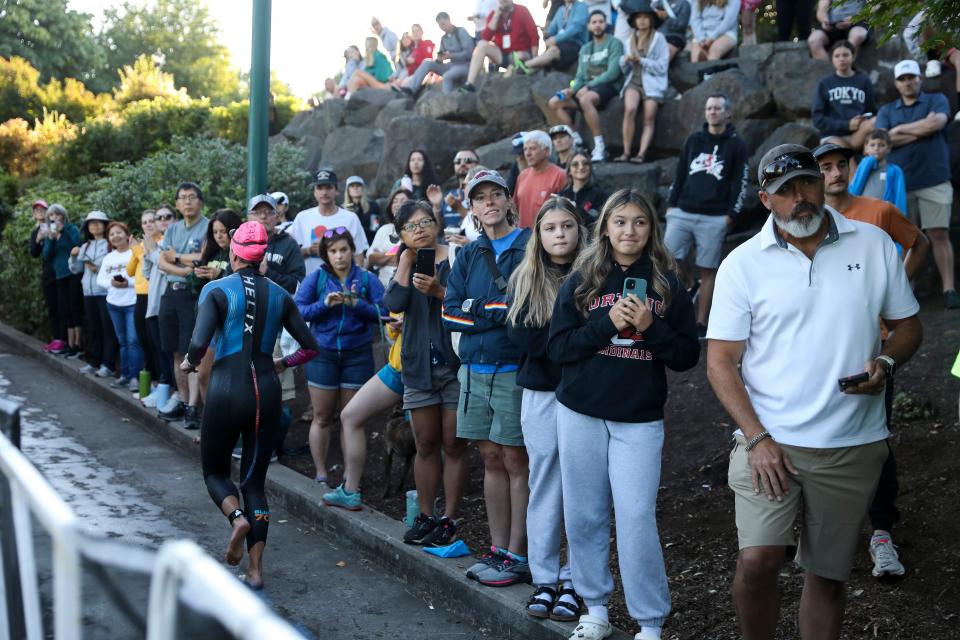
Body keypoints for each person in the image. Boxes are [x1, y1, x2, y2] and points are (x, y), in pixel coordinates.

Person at [707, 144, 922, 640]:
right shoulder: (743, 263)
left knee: (826, 576)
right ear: (765, 199)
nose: (801, 198)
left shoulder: (871, 244)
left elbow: (909, 326)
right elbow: (720, 359)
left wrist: (888, 361)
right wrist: (757, 439)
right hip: (770, 442)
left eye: (806, 183)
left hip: (852, 442)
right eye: (785, 191)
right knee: (759, 560)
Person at [547, 188, 699, 640]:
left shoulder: (668, 283)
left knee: (635, 517)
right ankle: (594, 608)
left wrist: (651, 328)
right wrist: (605, 324)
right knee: (584, 514)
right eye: (620, 221)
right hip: (581, 413)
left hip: (638, 420)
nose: (629, 230)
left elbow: (687, 355)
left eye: (638, 221)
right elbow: (558, 348)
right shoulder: (582, 280)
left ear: (651, 228)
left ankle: (649, 622)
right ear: (605, 227)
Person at [813, 141, 929, 580]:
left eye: (841, 164)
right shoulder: (806, 219)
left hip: (874, 342)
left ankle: (882, 532)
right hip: (819, 347)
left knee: (875, 436)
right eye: (825, 167)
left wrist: (895, 285)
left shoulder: (878, 211)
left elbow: (917, 243)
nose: (835, 173)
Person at [182, 221, 319, 590]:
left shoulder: (215, 289)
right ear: (262, 259)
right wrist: (282, 363)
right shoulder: (280, 294)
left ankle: (236, 518)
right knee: (255, 483)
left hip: (227, 390)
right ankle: (256, 571)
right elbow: (309, 346)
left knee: (214, 471)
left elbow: (197, 345)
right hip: (266, 392)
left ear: (233, 253)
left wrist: (189, 363)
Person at [442, 170, 532, 587]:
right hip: (474, 371)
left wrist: (481, 309)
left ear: (509, 200)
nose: (489, 202)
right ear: (472, 208)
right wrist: (490, 309)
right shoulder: (468, 253)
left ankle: (520, 553)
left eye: (496, 194)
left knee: (517, 459)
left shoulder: (530, 245)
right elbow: (449, 312)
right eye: (480, 198)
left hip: (514, 369)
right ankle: (498, 549)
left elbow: (522, 309)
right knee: (491, 459)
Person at [506, 196, 587, 622]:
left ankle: (576, 580)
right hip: (541, 393)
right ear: (539, 234)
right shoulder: (525, 276)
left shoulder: (596, 275)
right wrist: (576, 345)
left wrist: (573, 346)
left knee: (582, 484)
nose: (560, 234)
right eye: (551, 227)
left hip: (587, 396)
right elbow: (527, 340)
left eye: (567, 226)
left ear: (580, 230)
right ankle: (545, 578)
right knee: (544, 482)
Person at [385, 202, 466, 546]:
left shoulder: (457, 257)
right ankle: (425, 515)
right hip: (418, 365)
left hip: (453, 365)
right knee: (425, 443)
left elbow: (467, 304)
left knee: (453, 444)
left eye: (424, 222)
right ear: (401, 234)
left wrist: (438, 291)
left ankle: (449, 517)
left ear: (437, 223)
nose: (419, 229)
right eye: (410, 226)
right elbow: (394, 302)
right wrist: (405, 261)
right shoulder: (407, 261)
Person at [294, 229, 385, 485]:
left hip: (358, 354)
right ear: (326, 254)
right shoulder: (317, 278)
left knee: (351, 417)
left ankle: (349, 476)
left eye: (344, 250)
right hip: (322, 353)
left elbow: (386, 311)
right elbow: (299, 311)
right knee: (322, 416)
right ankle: (321, 472)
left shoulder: (366, 279)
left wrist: (357, 305)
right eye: (333, 251)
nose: (339, 256)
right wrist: (325, 304)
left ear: (352, 251)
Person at [665, 94, 749, 338]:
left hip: (715, 216)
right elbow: (680, 173)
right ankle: (690, 285)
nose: (712, 112)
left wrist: (731, 214)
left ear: (727, 113)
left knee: (708, 270)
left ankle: (701, 323)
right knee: (668, 261)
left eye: (717, 108)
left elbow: (740, 181)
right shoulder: (694, 140)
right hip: (682, 211)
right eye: (708, 108)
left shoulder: (736, 144)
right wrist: (671, 206)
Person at [877, 59, 957, 309]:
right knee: (902, 239)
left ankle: (949, 289)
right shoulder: (887, 110)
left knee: (939, 234)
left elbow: (938, 123)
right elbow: (881, 141)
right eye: (902, 79)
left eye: (911, 77)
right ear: (896, 83)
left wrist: (899, 131)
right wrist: (921, 129)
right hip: (901, 183)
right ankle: (905, 291)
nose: (908, 82)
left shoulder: (937, 100)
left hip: (934, 177)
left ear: (919, 78)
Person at [157, 182, 210, 429]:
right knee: (175, 351)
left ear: (200, 201)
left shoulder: (208, 226)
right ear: (177, 204)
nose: (187, 201)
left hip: (193, 295)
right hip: (171, 293)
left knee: (192, 351)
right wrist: (184, 269)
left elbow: (203, 258)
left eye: (192, 197)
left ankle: (192, 406)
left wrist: (177, 257)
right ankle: (182, 398)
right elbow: (161, 262)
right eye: (182, 198)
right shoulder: (172, 229)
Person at [548, 11, 624, 163]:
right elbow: (580, 76)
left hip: (608, 86)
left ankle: (599, 146)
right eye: (594, 22)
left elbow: (613, 72)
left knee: (585, 100)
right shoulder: (585, 49)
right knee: (555, 102)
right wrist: (572, 90)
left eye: (600, 21)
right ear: (589, 26)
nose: (597, 25)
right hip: (586, 87)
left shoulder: (615, 43)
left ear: (606, 24)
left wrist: (587, 87)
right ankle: (577, 140)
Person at [191, 209, 243, 405]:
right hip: (209, 321)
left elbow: (241, 284)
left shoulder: (239, 254)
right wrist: (196, 275)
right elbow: (195, 287)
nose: (219, 236)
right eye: (215, 232)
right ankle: (209, 423)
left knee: (229, 380)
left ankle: (226, 426)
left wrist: (219, 276)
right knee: (203, 375)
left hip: (231, 323)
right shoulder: (211, 251)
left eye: (223, 231)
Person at [616, 0, 669, 164]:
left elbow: (662, 66)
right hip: (634, 80)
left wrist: (642, 61)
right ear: (634, 21)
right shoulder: (629, 40)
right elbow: (624, 70)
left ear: (651, 19)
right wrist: (625, 60)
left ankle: (641, 154)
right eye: (639, 17)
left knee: (648, 117)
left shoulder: (659, 38)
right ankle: (626, 152)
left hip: (652, 83)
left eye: (646, 17)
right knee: (630, 109)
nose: (642, 20)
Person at [288, 169, 369, 275]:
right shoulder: (302, 217)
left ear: (336, 190)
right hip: (309, 283)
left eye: (328, 187)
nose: (324, 192)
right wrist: (309, 251)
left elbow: (358, 255)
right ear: (314, 191)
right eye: (320, 188)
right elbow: (291, 254)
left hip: (342, 285)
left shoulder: (351, 218)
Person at [69, 211, 117, 378]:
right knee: (94, 329)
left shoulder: (111, 244)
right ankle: (94, 362)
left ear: (105, 225)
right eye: (91, 223)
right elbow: (76, 270)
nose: (95, 226)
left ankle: (108, 365)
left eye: (99, 223)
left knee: (107, 329)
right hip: (88, 293)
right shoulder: (85, 246)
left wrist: (97, 267)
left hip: (105, 292)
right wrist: (74, 257)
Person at [96, 221, 144, 392]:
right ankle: (123, 375)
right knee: (122, 342)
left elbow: (143, 276)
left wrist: (127, 284)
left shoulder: (135, 252)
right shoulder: (109, 257)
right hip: (113, 304)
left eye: (119, 232)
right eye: (112, 234)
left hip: (132, 303)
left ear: (126, 234)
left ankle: (135, 377)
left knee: (133, 341)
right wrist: (112, 283)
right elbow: (99, 280)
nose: (115, 236)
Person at [460, 0, 540, 93]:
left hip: (522, 54)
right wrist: (496, 16)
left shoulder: (522, 10)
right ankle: (469, 84)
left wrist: (534, 60)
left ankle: (514, 70)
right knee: (481, 45)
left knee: (520, 55)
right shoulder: (494, 14)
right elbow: (485, 38)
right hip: (504, 55)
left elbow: (534, 36)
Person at [140, 204, 176, 409]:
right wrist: (149, 252)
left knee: (169, 352)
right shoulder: (157, 243)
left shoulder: (174, 242)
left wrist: (153, 253)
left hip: (168, 304)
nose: (161, 220)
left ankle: (171, 392)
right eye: (158, 217)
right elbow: (147, 272)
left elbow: (167, 269)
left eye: (166, 217)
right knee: (158, 351)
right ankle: (163, 389)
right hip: (153, 305)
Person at [811, 40, 876, 150]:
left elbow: (871, 110)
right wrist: (847, 125)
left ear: (853, 56)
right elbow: (818, 119)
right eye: (837, 56)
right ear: (832, 59)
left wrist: (863, 120)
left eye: (845, 55)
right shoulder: (825, 83)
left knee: (877, 121)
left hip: (858, 134)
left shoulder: (864, 80)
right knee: (845, 155)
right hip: (832, 136)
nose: (841, 59)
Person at [43, 204, 83, 358]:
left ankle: (78, 345)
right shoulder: (50, 234)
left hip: (73, 273)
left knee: (75, 308)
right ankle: (70, 344)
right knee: (65, 310)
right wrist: (52, 239)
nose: (55, 218)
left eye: (57, 214)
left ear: (63, 216)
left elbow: (77, 243)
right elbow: (47, 256)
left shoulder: (71, 228)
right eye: (51, 216)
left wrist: (63, 231)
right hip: (59, 276)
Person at [400, 12, 475, 96]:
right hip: (451, 65)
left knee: (447, 76)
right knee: (427, 62)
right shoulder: (443, 38)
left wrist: (451, 56)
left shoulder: (461, 31)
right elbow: (441, 57)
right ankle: (411, 90)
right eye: (440, 25)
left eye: (443, 23)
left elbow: (469, 53)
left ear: (449, 20)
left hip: (465, 65)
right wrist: (439, 59)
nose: (442, 27)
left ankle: (448, 101)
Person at [126, 210, 160, 387]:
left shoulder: (162, 242)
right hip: (140, 296)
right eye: (144, 222)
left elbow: (154, 260)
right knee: (143, 340)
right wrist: (135, 251)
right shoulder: (139, 246)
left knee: (156, 342)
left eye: (151, 220)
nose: (148, 224)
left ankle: (161, 381)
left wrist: (140, 251)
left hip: (154, 296)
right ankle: (152, 380)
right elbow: (130, 271)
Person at [29, 200, 65, 353]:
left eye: (42, 209)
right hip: (47, 273)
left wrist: (53, 234)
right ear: (33, 214)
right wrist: (38, 239)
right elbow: (34, 253)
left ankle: (65, 341)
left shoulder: (57, 226)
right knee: (52, 306)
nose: (39, 212)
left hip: (62, 272)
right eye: (36, 210)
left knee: (63, 306)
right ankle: (56, 339)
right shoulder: (35, 231)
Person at [515, 0, 588, 74]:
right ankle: (527, 68)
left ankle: (525, 65)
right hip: (561, 46)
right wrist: (546, 34)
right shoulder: (561, 9)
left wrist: (555, 39)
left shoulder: (581, 6)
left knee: (553, 50)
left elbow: (576, 28)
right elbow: (552, 29)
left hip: (576, 44)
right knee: (549, 53)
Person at [515, 130, 569, 229]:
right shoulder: (522, 176)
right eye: (525, 149)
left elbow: (567, 211)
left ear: (547, 151)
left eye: (532, 148)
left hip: (548, 237)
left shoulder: (560, 175)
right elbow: (515, 207)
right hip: (523, 238)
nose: (527, 153)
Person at [850, 129, 908, 214]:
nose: (876, 148)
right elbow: (853, 191)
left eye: (881, 145)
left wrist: (901, 217)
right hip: (863, 213)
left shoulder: (895, 171)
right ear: (866, 148)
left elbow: (900, 198)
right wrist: (869, 161)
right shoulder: (863, 167)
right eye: (872, 145)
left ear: (889, 148)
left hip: (885, 214)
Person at [368, 188, 412, 287]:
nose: (397, 204)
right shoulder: (384, 229)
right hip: (382, 287)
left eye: (403, 201)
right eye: (395, 201)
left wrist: (383, 257)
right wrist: (396, 255)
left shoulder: (415, 230)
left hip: (406, 286)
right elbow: (371, 258)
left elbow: (412, 261)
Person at [559, 150, 609, 226]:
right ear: (569, 171)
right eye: (575, 164)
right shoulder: (562, 195)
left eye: (585, 163)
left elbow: (599, 222)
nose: (581, 167)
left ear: (590, 168)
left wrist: (576, 209)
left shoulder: (601, 195)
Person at [440, 149, 480, 233]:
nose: (462, 164)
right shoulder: (449, 194)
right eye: (458, 161)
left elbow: (484, 225)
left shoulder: (482, 193)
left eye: (468, 161)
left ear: (478, 165)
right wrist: (436, 206)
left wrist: (460, 208)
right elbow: (438, 228)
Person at [342, 176, 383, 244]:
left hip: (369, 242)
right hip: (348, 244)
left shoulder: (374, 206)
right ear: (348, 190)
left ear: (363, 188)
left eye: (358, 185)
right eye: (352, 186)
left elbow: (375, 228)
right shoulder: (342, 209)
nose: (355, 188)